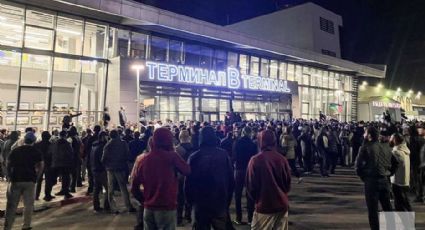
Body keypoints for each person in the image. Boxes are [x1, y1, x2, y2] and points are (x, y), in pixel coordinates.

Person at [131, 128, 190, 229]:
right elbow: (187, 170)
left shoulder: (143, 160)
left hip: (148, 208)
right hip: (166, 206)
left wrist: (144, 200)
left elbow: (134, 186)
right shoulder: (172, 156)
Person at [185, 126, 235, 229]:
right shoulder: (223, 155)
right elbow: (231, 180)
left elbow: (188, 183)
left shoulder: (194, 157)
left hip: (200, 204)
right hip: (220, 201)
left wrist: (190, 203)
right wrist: (227, 200)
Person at [246, 130, 291, 230]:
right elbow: (287, 183)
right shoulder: (282, 159)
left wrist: (257, 200)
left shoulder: (255, 160)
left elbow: (250, 186)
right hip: (281, 204)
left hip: (264, 205)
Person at [355, 126, 393, 230]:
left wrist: (364, 177)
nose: (363, 135)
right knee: (387, 208)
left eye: (365, 133)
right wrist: (388, 173)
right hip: (384, 180)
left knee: (373, 211)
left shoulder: (365, 147)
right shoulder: (386, 147)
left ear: (369, 135)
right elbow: (395, 163)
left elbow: (358, 167)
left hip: (371, 181)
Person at [4, 132, 43, 230]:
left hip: (15, 179)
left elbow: (8, 163)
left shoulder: (15, 150)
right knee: (28, 205)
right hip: (29, 180)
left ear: (24, 140)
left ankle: (8, 227)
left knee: (11, 205)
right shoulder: (36, 151)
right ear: (33, 141)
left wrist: (9, 175)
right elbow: (41, 165)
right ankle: (26, 225)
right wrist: (37, 177)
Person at [102, 129, 135, 214]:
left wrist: (107, 165)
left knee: (111, 189)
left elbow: (103, 158)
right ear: (117, 135)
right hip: (120, 168)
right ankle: (128, 206)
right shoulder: (123, 143)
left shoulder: (108, 145)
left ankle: (113, 208)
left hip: (110, 169)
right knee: (123, 187)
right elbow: (127, 154)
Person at [233, 126, 257, 225]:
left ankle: (238, 218)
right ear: (250, 133)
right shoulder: (253, 144)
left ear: (242, 132)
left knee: (238, 195)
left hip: (238, 170)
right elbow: (255, 158)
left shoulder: (236, 143)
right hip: (249, 170)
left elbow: (234, 157)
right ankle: (250, 218)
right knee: (250, 194)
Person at [390, 133, 412, 211]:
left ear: (395, 140)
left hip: (398, 181)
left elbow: (391, 165)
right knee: (405, 202)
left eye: (391, 138)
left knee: (400, 204)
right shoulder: (405, 150)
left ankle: (407, 221)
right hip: (404, 180)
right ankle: (408, 220)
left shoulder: (396, 152)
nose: (390, 139)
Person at [175, 130, 193, 225]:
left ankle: (178, 218)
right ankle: (188, 216)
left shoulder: (177, 149)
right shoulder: (194, 148)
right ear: (188, 137)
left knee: (179, 198)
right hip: (191, 176)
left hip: (179, 176)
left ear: (180, 137)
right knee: (189, 196)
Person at [90, 131, 110, 213]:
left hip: (94, 170)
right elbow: (102, 159)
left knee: (96, 189)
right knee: (107, 188)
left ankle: (96, 206)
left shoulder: (94, 146)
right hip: (101, 170)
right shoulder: (102, 147)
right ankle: (106, 205)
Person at [52, 130, 75, 199]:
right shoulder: (66, 143)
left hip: (58, 163)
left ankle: (63, 190)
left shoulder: (56, 143)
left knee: (62, 177)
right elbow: (70, 153)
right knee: (66, 178)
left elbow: (53, 152)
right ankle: (66, 192)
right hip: (66, 163)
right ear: (65, 135)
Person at [34, 131, 55, 201]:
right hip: (48, 164)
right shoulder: (51, 144)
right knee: (48, 180)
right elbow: (52, 155)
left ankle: (36, 195)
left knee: (38, 180)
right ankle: (47, 195)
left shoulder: (37, 144)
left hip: (39, 164)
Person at [68, 127, 82, 193]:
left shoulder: (71, 139)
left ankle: (72, 187)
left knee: (72, 174)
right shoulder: (77, 138)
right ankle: (73, 186)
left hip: (72, 158)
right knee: (75, 173)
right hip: (77, 157)